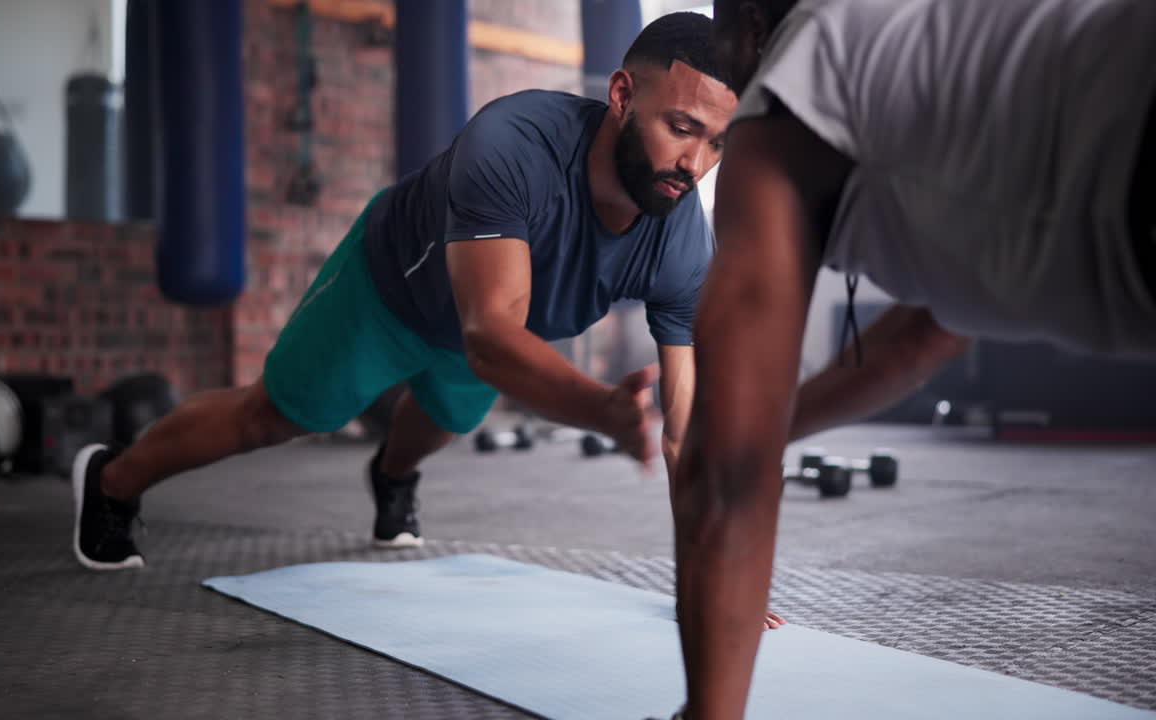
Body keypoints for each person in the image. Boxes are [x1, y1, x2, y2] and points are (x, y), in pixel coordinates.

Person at [71, 11, 783, 629]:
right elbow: (488, 336)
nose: (694, 164)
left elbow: (687, 429)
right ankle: (112, 479)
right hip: (392, 292)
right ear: (624, 96)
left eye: (716, 142)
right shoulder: (515, 144)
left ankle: (391, 474)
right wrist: (600, 407)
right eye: (681, 127)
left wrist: (717, 578)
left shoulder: (683, 239)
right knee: (278, 416)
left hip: (497, 330)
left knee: (444, 416)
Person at [669, 0, 1156, 717]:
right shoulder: (924, 56)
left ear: (750, 27)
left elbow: (730, 468)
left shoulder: (797, 80)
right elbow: (920, 338)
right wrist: (775, 427)